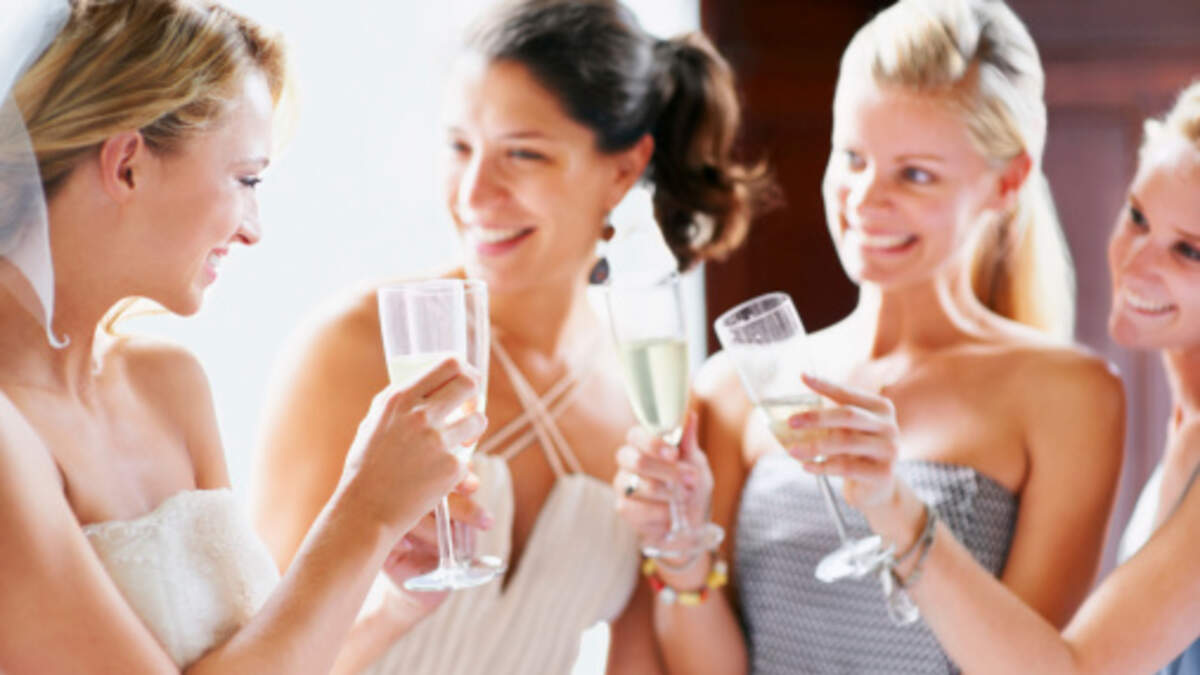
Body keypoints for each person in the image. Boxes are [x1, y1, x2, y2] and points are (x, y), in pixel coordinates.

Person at [250, 0, 774, 672]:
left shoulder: (645, 404)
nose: (474, 193)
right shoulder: (353, 349)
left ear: (622, 170)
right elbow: (267, 656)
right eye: (459, 147)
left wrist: (683, 553)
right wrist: (391, 607)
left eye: (522, 154)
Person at [613, 0, 1125, 672]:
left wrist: (895, 509)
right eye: (852, 157)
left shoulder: (1071, 395)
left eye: (915, 174)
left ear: (1008, 181)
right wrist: (682, 558)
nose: (864, 198)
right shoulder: (734, 388)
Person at [0, 1, 485, 672]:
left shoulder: (168, 385)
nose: (254, 229)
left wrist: (388, 605)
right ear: (127, 164)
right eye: (245, 179)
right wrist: (362, 514)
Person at [801, 80, 1200, 675]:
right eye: (1138, 217)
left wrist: (895, 508)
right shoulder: (1184, 428)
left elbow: (1071, 670)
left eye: (1189, 251)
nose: (1136, 261)